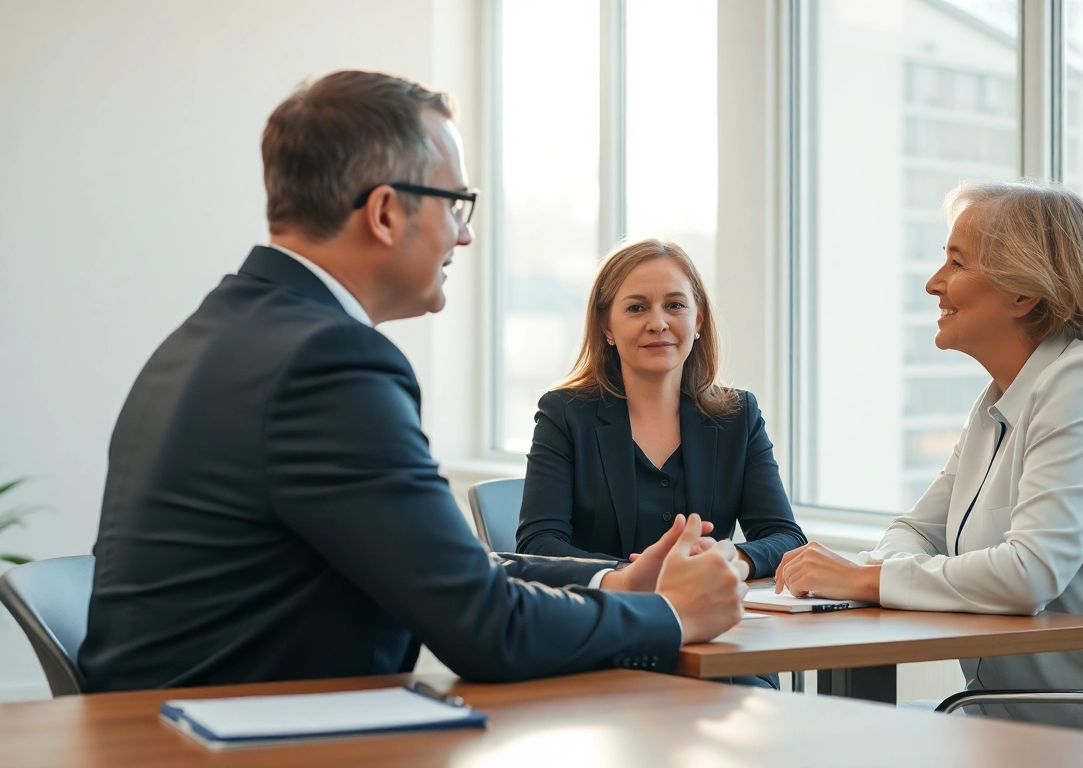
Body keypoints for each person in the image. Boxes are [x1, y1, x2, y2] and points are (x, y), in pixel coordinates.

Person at [79, 71, 748, 694]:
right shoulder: (328, 363)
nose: (465, 235)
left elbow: (447, 571)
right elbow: (488, 630)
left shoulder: (215, 333)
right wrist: (670, 616)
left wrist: (612, 582)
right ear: (384, 213)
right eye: (457, 204)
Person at [774, 181, 1083, 740]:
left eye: (956, 262)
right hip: (1012, 715)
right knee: (832, 737)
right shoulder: (1000, 402)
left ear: (1023, 294)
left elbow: (1028, 575)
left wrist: (866, 578)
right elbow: (915, 531)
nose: (934, 283)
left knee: (846, 742)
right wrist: (868, 575)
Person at [515, 238, 806, 581]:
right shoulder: (564, 414)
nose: (658, 323)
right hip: (601, 619)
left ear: (698, 319)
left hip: (708, 618)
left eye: (675, 305)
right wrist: (631, 575)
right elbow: (538, 544)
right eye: (636, 308)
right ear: (607, 326)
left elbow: (786, 538)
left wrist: (732, 557)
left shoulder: (738, 416)